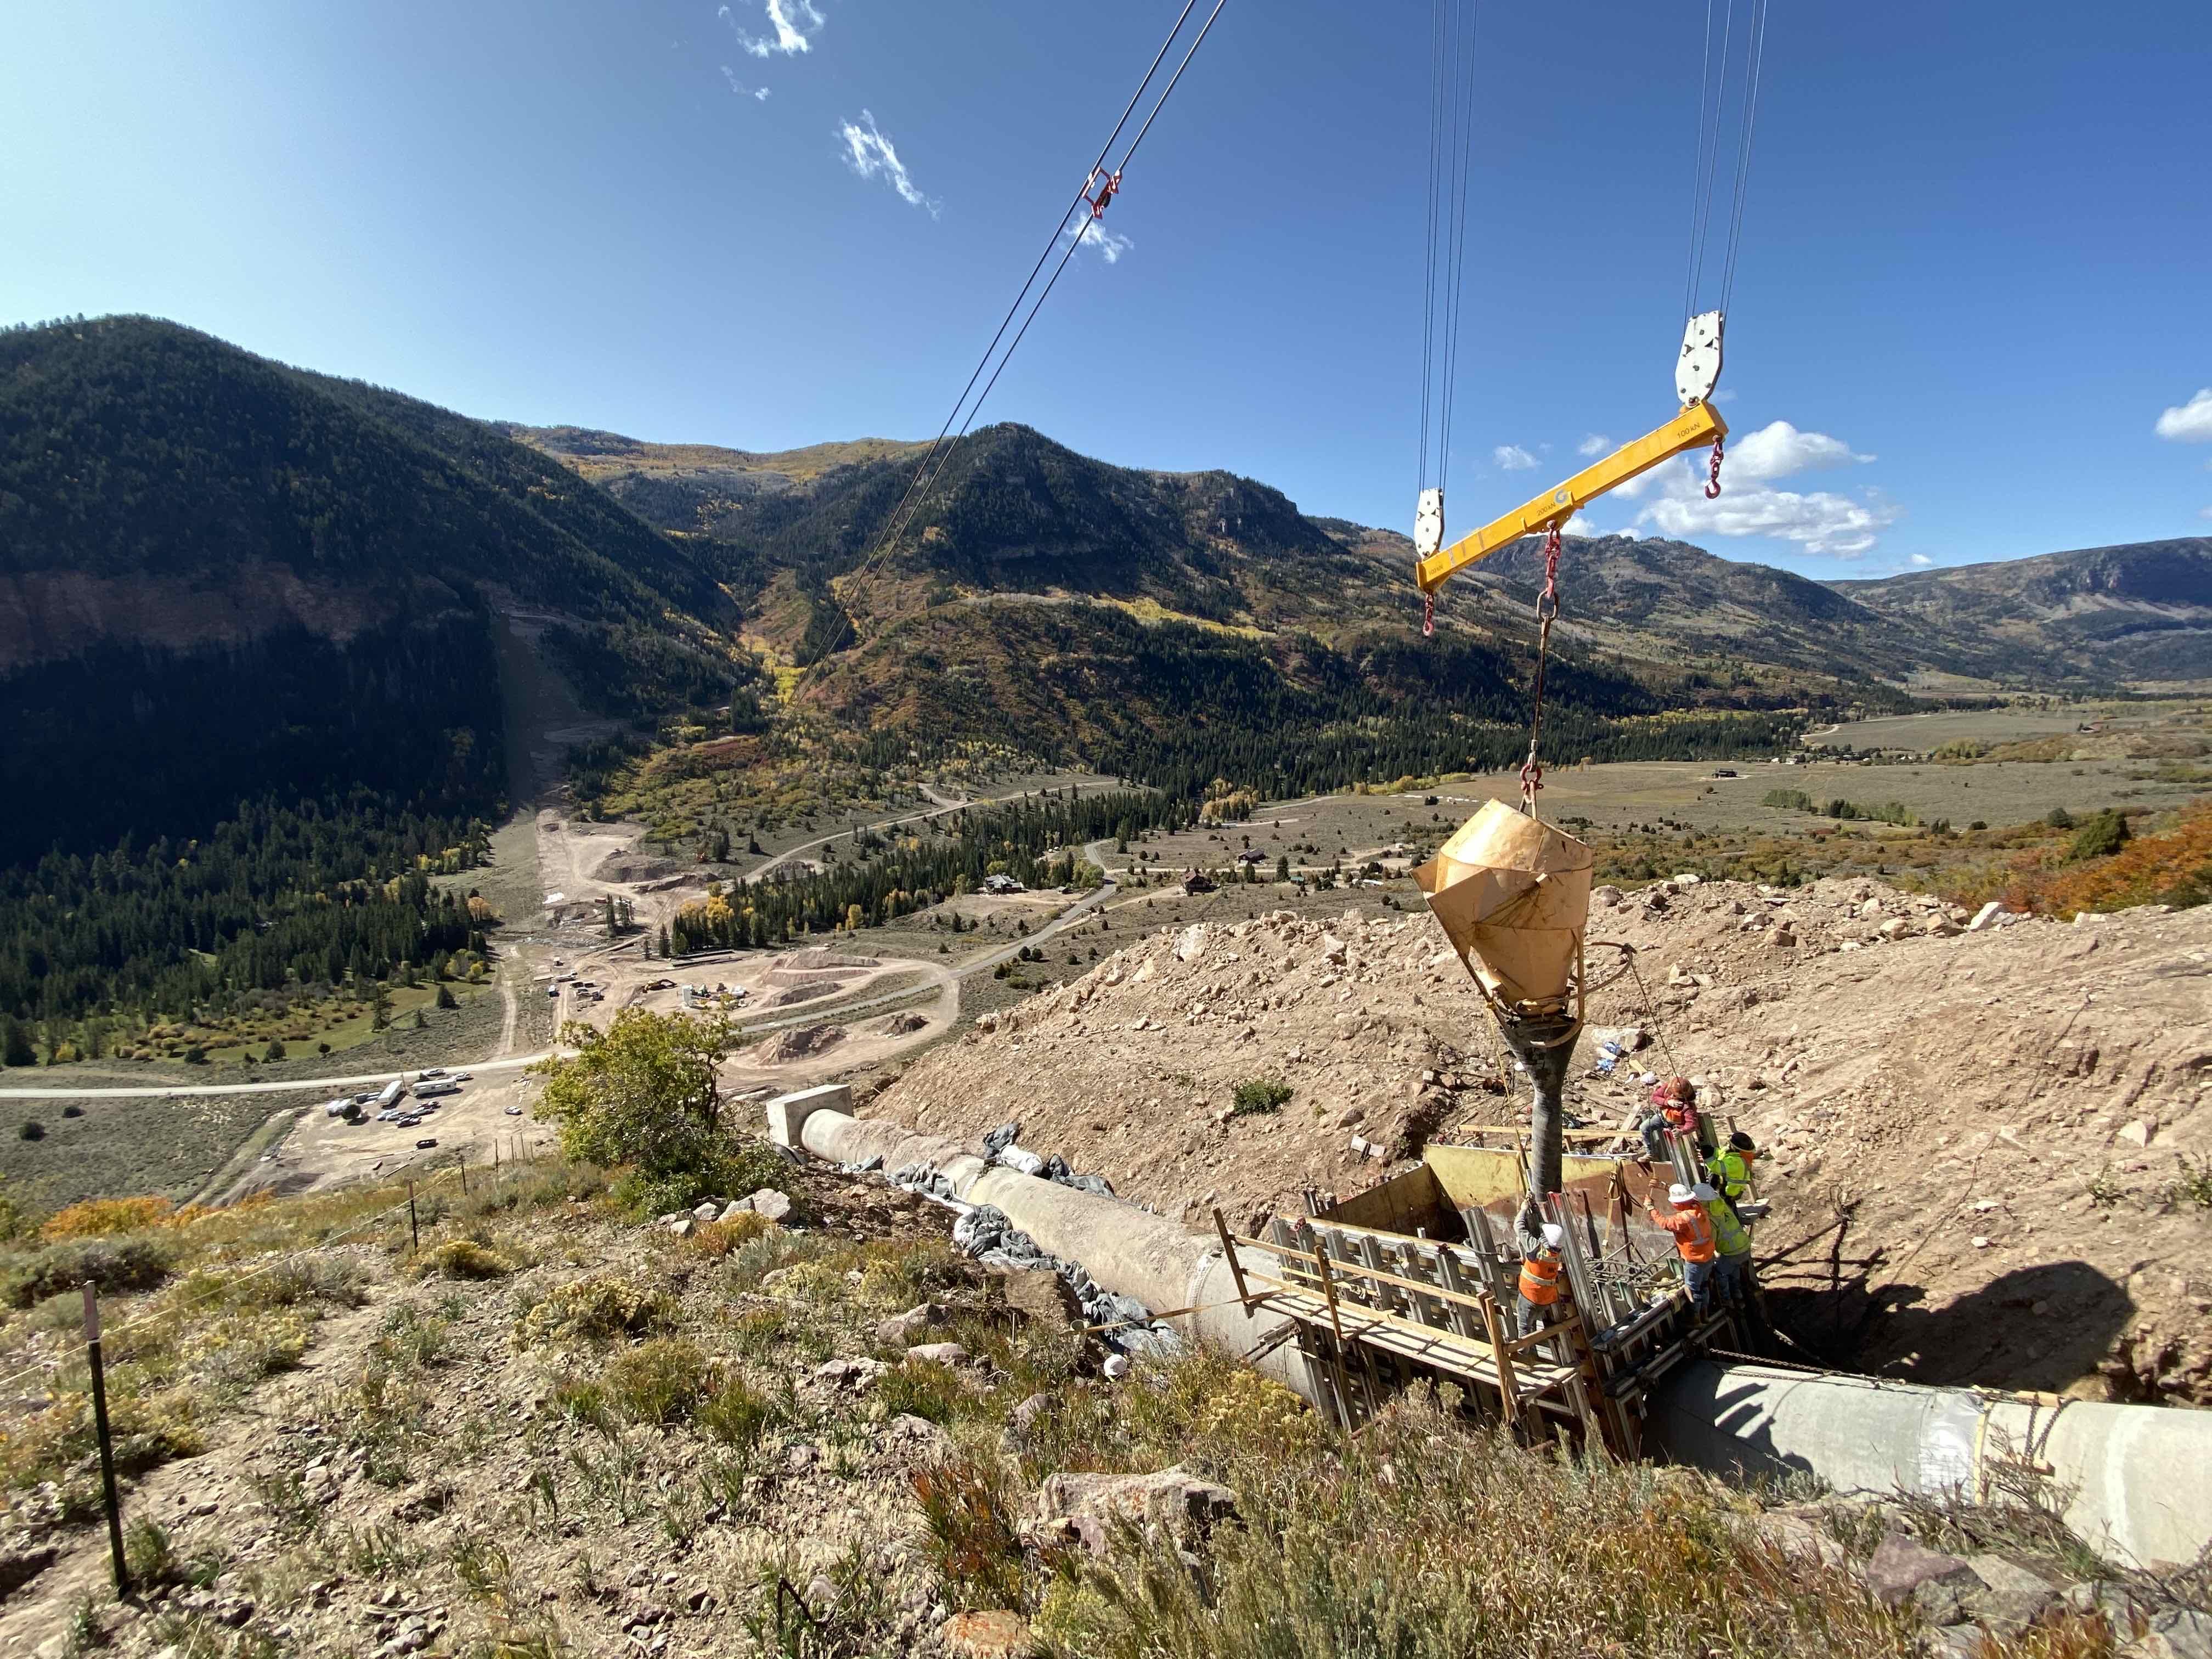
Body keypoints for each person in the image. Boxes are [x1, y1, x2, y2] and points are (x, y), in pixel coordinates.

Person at [1647, 1181, 1718, 1314]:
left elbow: (1665, 1224)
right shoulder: (1698, 1207)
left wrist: (1651, 1208)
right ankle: (1706, 1314)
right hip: (1708, 1255)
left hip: (1695, 1259)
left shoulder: (1683, 1218)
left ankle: (1696, 1317)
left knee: (1692, 1289)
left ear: (1678, 1203)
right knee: (1704, 1285)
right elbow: (1686, 1197)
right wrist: (1663, 1186)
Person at [1703, 1181, 1754, 1312]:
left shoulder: (1711, 1218)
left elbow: (1711, 1242)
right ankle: (1739, 1298)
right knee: (1734, 1270)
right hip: (1744, 1246)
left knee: (1721, 1272)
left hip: (1733, 1251)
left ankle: (1727, 1302)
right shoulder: (1721, 1204)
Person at [1515, 1221, 1568, 1339]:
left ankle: (1523, 1351)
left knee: (1524, 1327)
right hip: (1546, 1299)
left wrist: (1523, 1210)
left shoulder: (1537, 1249)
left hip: (1530, 1296)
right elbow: (1542, 1229)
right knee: (1532, 1321)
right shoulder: (1556, 1253)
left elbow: (1518, 1226)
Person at [1639, 1076, 1705, 1164]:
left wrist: (1682, 1131)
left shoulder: (1688, 1106)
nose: (1673, 1096)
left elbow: (1692, 1124)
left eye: (1676, 1096)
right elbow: (1655, 1097)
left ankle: (1684, 1162)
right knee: (1644, 1127)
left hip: (1677, 1126)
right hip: (1662, 1117)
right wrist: (1667, 1102)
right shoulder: (1667, 1088)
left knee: (1679, 1149)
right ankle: (1651, 1154)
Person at [1706, 1130, 1757, 1216]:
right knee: (1731, 1209)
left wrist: (1708, 1158)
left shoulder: (1736, 1162)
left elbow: (1716, 1168)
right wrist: (1713, 1151)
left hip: (1728, 1193)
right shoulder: (1735, 1155)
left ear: (1734, 1147)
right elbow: (1721, 1153)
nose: (1727, 1144)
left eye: (1729, 1143)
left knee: (1727, 1213)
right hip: (1729, 1191)